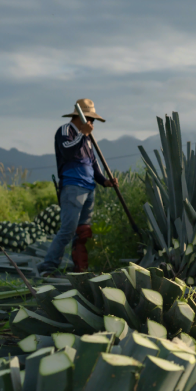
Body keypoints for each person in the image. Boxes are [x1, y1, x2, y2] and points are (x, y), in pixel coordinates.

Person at [38, 99, 118, 276]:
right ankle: (48, 266)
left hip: (89, 187)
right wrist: (82, 135)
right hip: (73, 187)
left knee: (83, 232)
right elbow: (67, 151)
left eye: (92, 120)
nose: (91, 123)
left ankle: (80, 269)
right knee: (68, 230)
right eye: (90, 119)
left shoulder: (87, 139)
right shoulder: (66, 131)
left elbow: (93, 162)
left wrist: (104, 181)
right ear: (79, 117)